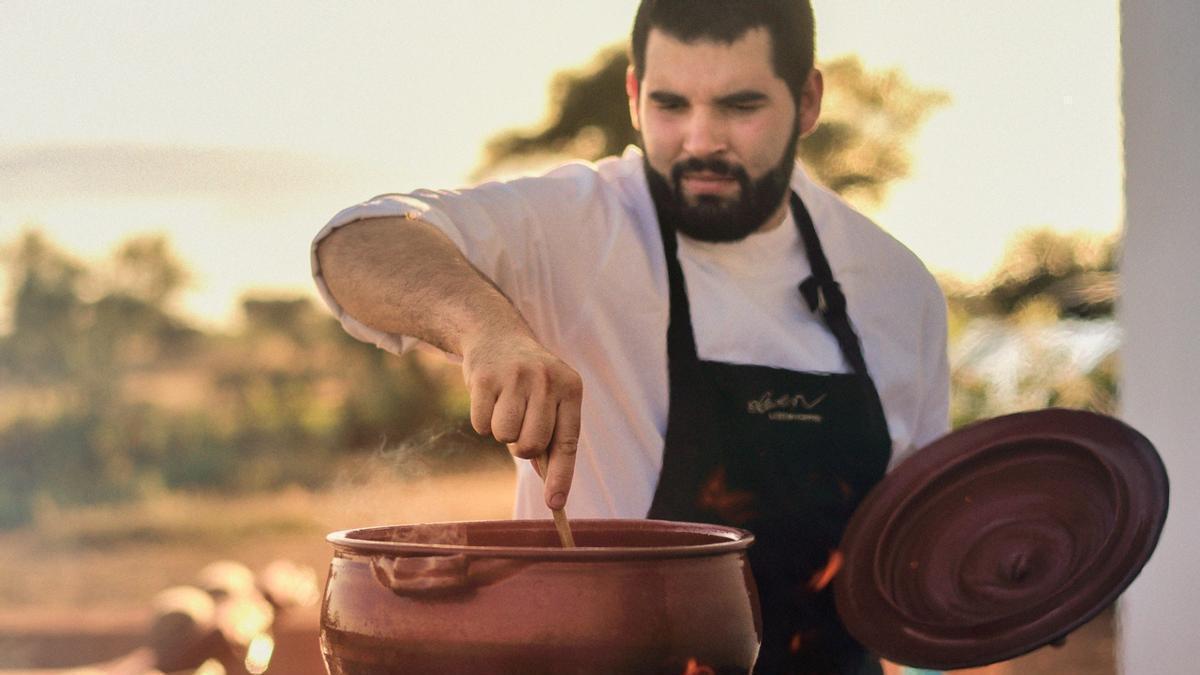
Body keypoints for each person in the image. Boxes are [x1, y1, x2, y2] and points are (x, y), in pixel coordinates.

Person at [312, 1, 949, 672]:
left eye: (739, 106)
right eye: (670, 106)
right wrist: (487, 328)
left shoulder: (894, 287)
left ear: (808, 99)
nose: (701, 141)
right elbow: (356, 243)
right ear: (633, 94)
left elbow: (920, 550)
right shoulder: (579, 226)